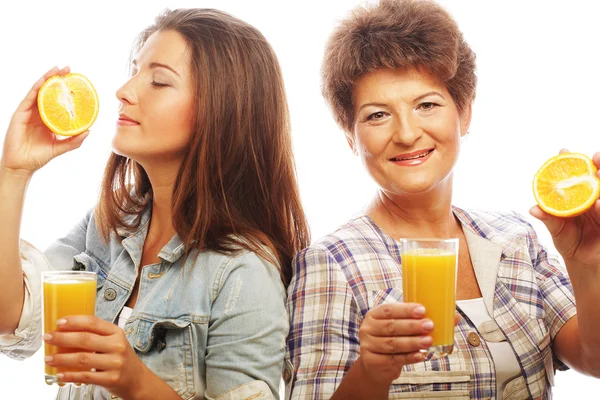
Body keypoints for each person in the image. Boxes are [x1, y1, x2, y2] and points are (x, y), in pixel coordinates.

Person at [286, 0, 600, 399]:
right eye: (377, 115)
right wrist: (371, 372)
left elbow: (593, 358)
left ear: (464, 112)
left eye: (427, 105)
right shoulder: (332, 264)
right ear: (351, 135)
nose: (405, 133)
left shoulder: (516, 238)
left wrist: (586, 262)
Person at [0, 8, 309, 400]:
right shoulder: (112, 223)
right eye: (135, 70)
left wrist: (136, 383)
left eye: (159, 81)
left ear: (221, 111)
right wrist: (13, 171)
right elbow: (10, 316)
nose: (124, 91)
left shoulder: (241, 270)